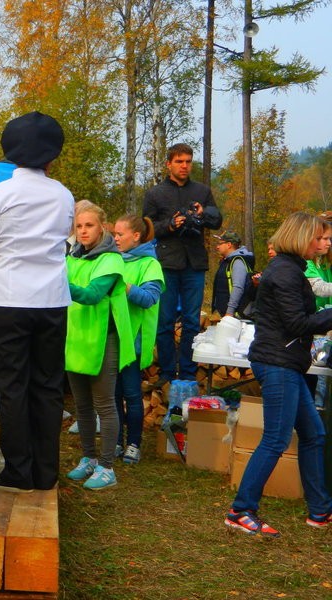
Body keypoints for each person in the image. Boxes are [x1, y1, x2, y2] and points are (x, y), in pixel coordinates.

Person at [0, 111, 74, 493]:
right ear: (51, 156)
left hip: (9, 298)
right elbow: (62, 243)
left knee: (12, 385)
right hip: (53, 300)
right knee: (48, 386)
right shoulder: (63, 194)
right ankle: (46, 472)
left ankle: (18, 470)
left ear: (10, 152)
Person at [225, 212, 332, 537]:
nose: (324, 244)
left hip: (286, 362)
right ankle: (241, 510)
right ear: (302, 237)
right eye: (319, 238)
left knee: (313, 435)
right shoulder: (285, 272)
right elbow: (297, 324)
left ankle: (320, 511)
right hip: (278, 363)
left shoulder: (291, 269)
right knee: (276, 439)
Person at [65, 204, 135, 490]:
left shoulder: (111, 261)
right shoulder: (71, 257)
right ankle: (88, 459)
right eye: (79, 226)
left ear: (102, 227)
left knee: (104, 405)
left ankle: (107, 467)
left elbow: (93, 295)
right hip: (76, 338)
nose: (83, 231)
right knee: (81, 406)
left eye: (89, 225)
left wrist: (56, 282)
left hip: (104, 339)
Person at [142, 143, 222, 386]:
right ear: (169, 164)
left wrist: (203, 212)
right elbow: (146, 229)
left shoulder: (202, 190)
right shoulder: (154, 194)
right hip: (166, 263)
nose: (185, 165)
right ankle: (167, 372)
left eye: (188, 161)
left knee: (191, 322)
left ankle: (187, 372)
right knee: (164, 322)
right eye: (179, 161)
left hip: (194, 264)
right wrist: (170, 225)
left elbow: (217, 220)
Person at [112, 214, 163, 464]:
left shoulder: (150, 264)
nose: (116, 238)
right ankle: (115, 443)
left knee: (131, 396)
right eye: (114, 234)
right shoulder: (113, 260)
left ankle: (133, 444)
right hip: (112, 339)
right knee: (112, 395)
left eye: (120, 234)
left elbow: (149, 299)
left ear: (136, 236)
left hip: (134, 342)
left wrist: (125, 286)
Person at [211, 230, 255, 319]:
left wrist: (230, 312)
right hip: (229, 315)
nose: (217, 247)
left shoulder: (237, 262)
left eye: (220, 244)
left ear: (229, 245)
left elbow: (238, 287)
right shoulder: (228, 261)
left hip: (235, 316)